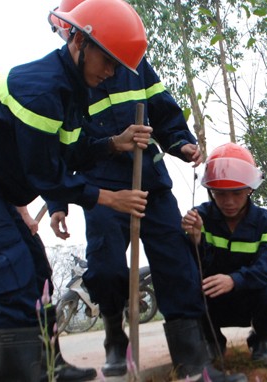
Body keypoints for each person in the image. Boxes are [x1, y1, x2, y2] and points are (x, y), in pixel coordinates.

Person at [0, 0, 154, 380]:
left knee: (37, 272)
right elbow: (45, 173)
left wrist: (111, 144)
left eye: (118, 65)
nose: (111, 72)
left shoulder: (71, 91)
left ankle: (49, 366)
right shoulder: (41, 89)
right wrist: (107, 197)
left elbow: (71, 148)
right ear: (79, 42)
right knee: (10, 272)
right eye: (107, 59)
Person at [46, 1, 246, 381]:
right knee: (105, 268)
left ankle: (191, 361)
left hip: (149, 181)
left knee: (175, 260)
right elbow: (54, 150)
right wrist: (57, 202)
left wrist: (181, 143)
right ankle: (113, 338)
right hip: (101, 187)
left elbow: (163, 110)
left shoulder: (135, 64)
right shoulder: (58, 80)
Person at [181, 143, 267, 366]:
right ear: (211, 191)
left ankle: (261, 342)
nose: (229, 202)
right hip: (212, 302)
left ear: (250, 189)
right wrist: (195, 240)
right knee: (187, 290)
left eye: (237, 193)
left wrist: (234, 280)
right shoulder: (199, 218)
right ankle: (213, 342)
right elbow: (191, 268)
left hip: (249, 298)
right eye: (220, 194)